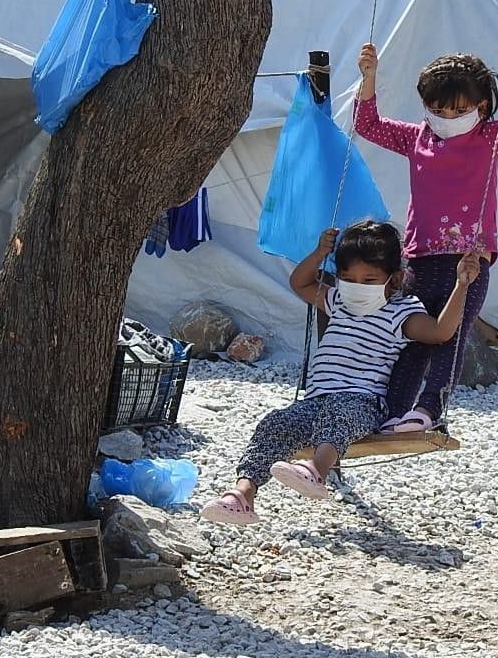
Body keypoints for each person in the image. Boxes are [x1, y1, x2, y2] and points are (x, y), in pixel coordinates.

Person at [200, 220, 480, 525]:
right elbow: (300, 283)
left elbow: (439, 332)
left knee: (338, 416)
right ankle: (242, 494)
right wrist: (320, 253)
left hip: (362, 401)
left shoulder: (400, 311)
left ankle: (317, 471)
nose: (358, 286)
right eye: (349, 278)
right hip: (316, 399)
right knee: (275, 424)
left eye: (369, 279)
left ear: (394, 278)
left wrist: (461, 285)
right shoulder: (338, 301)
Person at [354, 42, 498, 433]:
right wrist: (369, 78)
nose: (448, 118)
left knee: (451, 338)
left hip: (469, 261)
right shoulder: (415, 138)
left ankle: (429, 411)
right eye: (438, 110)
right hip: (421, 256)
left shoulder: (491, 136)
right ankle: (392, 412)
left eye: (460, 110)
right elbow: (367, 125)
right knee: (412, 337)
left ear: (482, 107)